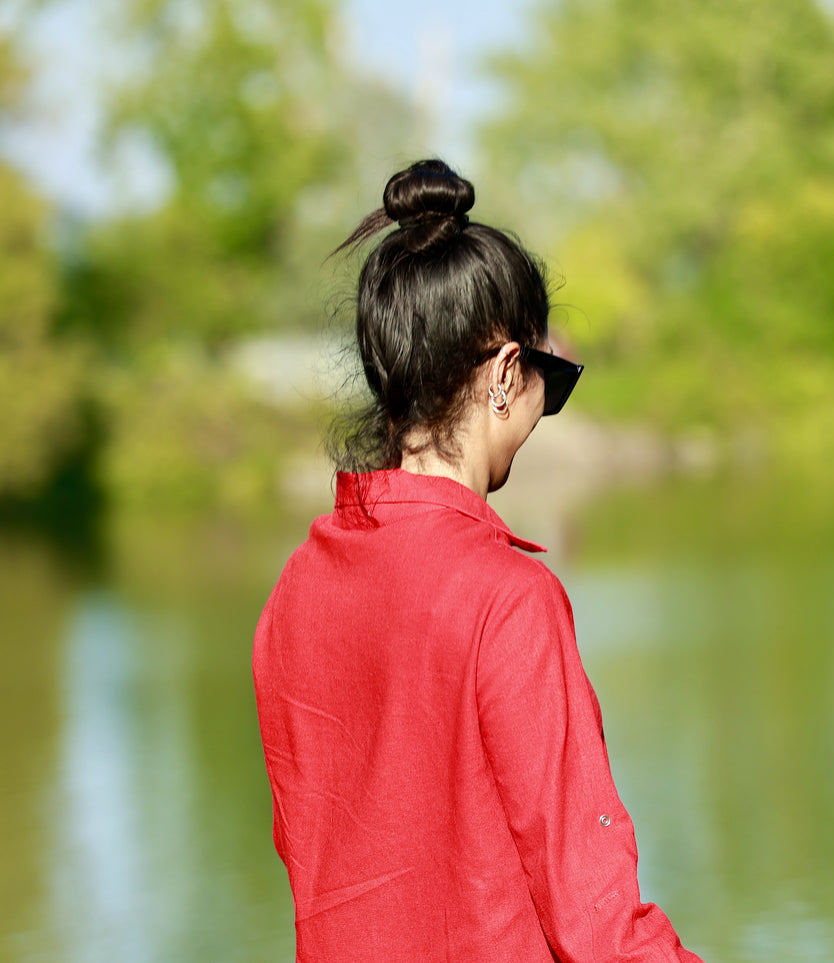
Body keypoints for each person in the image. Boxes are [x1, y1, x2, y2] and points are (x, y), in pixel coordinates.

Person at [252, 158, 707, 963]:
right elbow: (596, 924)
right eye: (550, 382)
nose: (544, 411)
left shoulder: (297, 588)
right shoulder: (508, 597)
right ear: (504, 374)